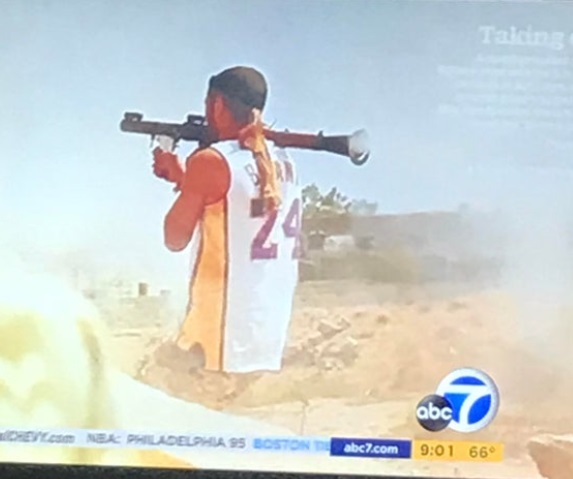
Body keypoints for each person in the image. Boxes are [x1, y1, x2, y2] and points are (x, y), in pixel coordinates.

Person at [151, 66, 301, 380]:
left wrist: (183, 172)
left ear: (218, 105)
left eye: (209, 105)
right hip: (266, 337)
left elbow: (174, 238)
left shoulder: (211, 161)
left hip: (221, 343)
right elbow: (239, 206)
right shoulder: (284, 161)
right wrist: (182, 178)